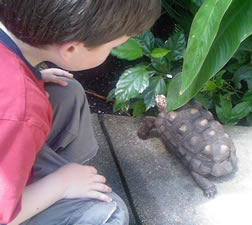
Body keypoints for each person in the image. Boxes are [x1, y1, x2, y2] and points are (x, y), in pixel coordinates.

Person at [0, 0, 161, 224]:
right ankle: (65, 188)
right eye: (112, 47)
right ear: (71, 49)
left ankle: (67, 179)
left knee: (66, 92)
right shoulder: (21, 106)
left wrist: (31, 74)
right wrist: (61, 184)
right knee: (108, 214)